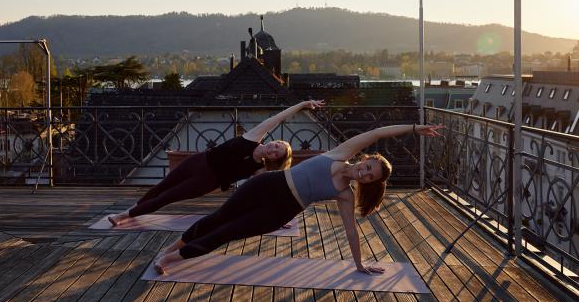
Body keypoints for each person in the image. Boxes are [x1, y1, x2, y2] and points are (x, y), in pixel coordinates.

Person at [153, 123, 443, 275]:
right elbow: (378, 132)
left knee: (227, 232)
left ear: (368, 183)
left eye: (369, 177)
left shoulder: (345, 195)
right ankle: (175, 244)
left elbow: (351, 231)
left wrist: (359, 264)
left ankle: (170, 258)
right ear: (365, 159)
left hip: (282, 210)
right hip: (268, 185)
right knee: (217, 218)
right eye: (368, 167)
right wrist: (415, 129)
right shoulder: (341, 153)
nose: (363, 173)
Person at [108, 100, 325, 225]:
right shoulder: (253, 137)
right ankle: (135, 209)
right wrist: (304, 104)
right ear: (272, 141)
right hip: (198, 161)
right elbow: (279, 117)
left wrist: (281, 218)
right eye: (277, 144)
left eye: (277, 153)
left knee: (167, 197)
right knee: (161, 186)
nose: (274, 149)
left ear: (274, 160)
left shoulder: (259, 171)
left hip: (206, 182)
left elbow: (264, 195)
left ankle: (123, 216)